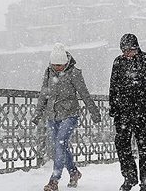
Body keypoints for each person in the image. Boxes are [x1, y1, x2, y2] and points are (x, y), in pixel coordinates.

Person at [33, 43, 102, 191]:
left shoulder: (74, 73)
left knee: (59, 144)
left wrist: (94, 112)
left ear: (66, 63)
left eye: (60, 65)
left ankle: (54, 180)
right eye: (55, 65)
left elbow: (84, 94)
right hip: (52, 115)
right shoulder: (48, 72)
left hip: (70, 115)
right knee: (61, 146)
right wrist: (38, 113)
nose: (57, 68)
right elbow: (43, 94)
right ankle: (74, 172)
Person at [109, 33, 146, 191]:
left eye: (130, 50)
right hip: (123, 113)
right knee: (122, 145)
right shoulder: (118, 62)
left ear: (136, 48)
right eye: (124, 50)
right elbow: (114, 87)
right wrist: (114, 108)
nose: (127, 54)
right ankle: (129, 177)